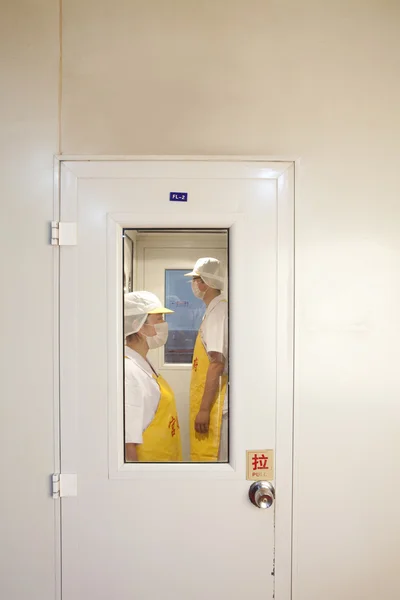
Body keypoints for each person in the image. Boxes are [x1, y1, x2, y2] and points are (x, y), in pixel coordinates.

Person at [124, 291, 182, 462]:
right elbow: (129, 441)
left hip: (163, 460)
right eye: (159, 319)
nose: (164, 324)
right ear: (139, 326)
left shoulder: (143, 362)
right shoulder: (129, 371)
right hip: (148, 466)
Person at [185, 258, 228, 462]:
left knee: (216, 460)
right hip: (212, 400)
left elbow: (217, 362)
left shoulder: (219, 311)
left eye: (196, 279)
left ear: (206, 282)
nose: (194, 285)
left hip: (216, 404)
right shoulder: (213, 310)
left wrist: (204, 410)